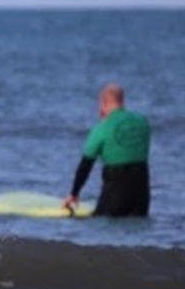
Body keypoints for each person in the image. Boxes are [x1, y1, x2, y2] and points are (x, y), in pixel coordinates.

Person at [63, 83, 151, 216]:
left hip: (115, 196)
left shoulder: (102, 128)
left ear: (103, 103)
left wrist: (74, 194)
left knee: (98, 224)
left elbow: (85, 165)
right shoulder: (143, 122)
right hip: (142, 197)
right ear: (122, 101)